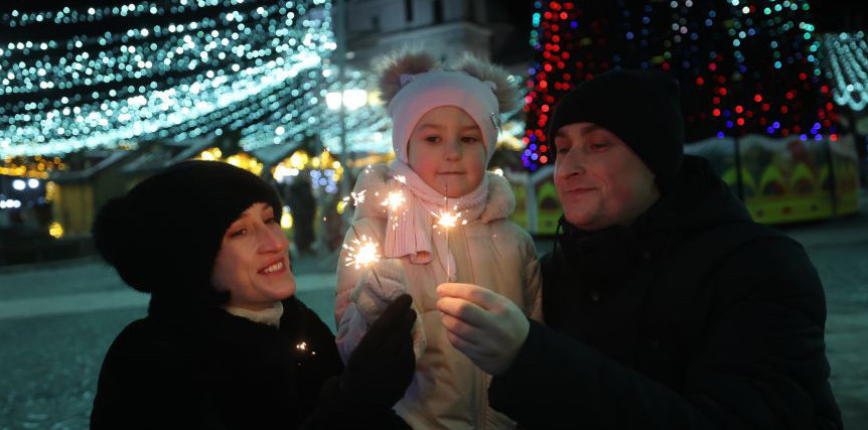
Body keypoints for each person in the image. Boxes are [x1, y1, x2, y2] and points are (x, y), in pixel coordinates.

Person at [436, 69, 843, 429]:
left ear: (655, 158)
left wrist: (531, 359)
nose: (569, 167)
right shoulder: (555, 274)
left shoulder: (757, 266)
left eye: (597, 145)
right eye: (562, 149)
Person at [89, 160, 416, 429]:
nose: (275, 243)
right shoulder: (151, 362)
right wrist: (354, 402)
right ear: (190, 259)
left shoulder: (298, 325)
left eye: (270, 219)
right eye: (240, 232)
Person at [334, 51, 542, 429]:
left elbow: (537, 345)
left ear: (489, 146)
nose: (451, 153)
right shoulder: (373, 234)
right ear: (405, 147)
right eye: (432, 138)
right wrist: (373, 311)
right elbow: (351, 354)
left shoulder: (515, 241)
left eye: (468, 137)